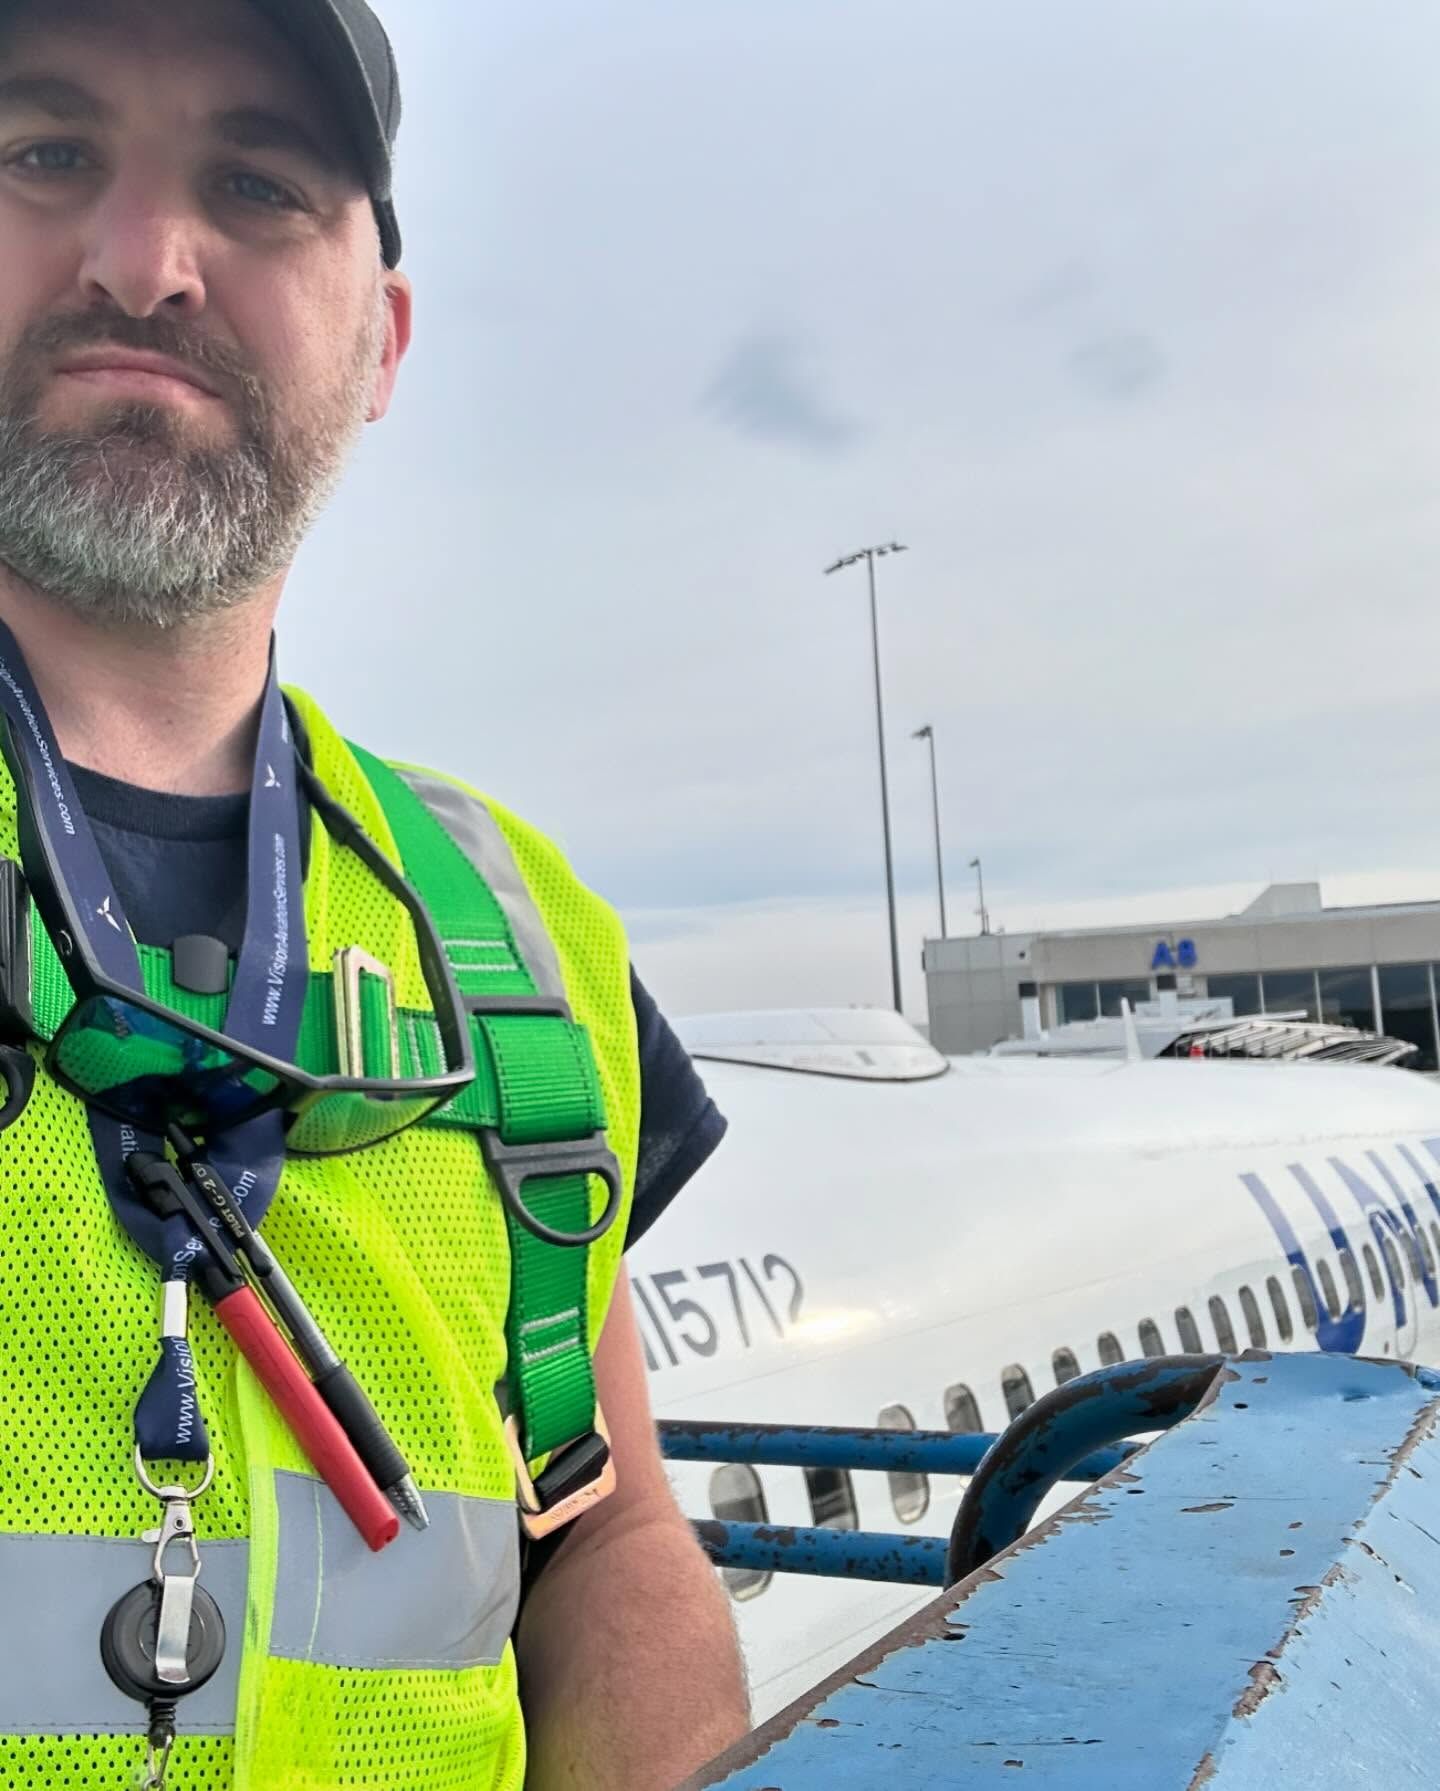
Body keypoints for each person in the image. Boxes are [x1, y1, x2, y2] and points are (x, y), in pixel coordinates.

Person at [0, 0, 751, 1786]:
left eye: (258, 184)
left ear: (382, 341)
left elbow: (606, 1535)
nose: (146, 263)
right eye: (46, 155)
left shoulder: (508, 923)